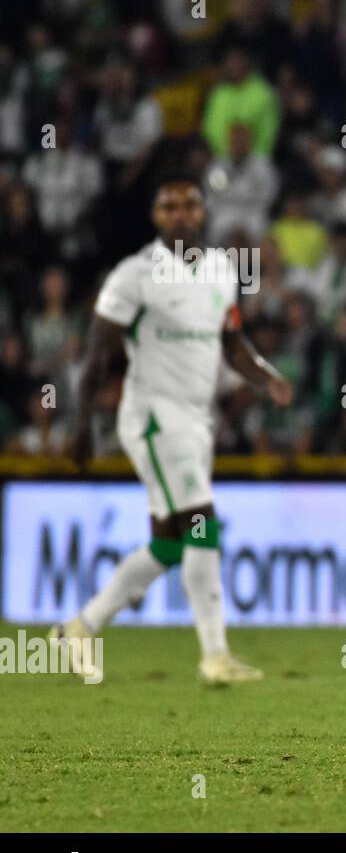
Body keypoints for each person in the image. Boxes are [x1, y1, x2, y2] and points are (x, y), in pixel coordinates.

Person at [51, 177, 293, 684]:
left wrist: (266, 376)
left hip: (194, 420)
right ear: (156, 217)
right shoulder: (134, 275)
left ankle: (82, 625)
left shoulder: (222, 269)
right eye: (169, 206)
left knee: (168, 543)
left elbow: (231, 342)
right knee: (202, 522)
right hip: (155, 418)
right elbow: (97, 353)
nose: (180, 213)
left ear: (202, 212)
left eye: (189, 204)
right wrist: (81, 428)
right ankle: (215, 654)